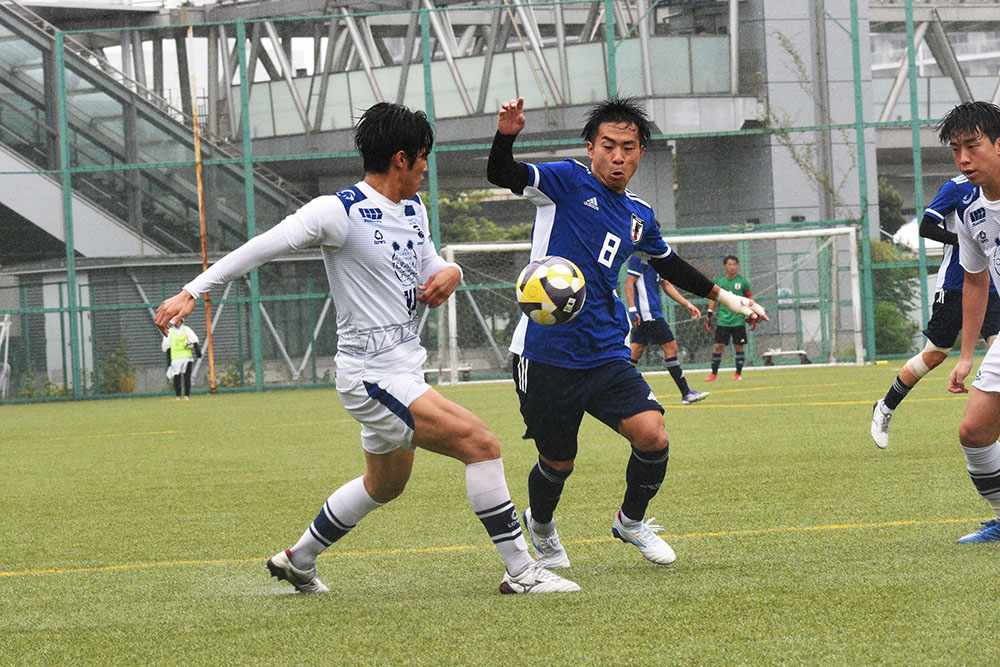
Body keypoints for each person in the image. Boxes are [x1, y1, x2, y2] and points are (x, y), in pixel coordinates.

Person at [155, 102, 578, 594]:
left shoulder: (413, 209)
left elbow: (429, 266)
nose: (426, 166)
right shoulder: (337, 211)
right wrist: (193, 291)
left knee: (385, 485)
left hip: (404, 370)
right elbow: (260, 247)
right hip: (370, 376)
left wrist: (451, 272)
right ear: (402, 157)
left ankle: (299, 560)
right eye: (423, 157)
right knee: (481, 444)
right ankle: (522, 572)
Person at [487, 96, 767, 568]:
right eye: (609, 146)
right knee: (559, 462)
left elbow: (669, 263)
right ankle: (542, 526)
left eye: (629, 148)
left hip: (605, 351)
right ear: (591, 147)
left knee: (653, 435)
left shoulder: (638, 214)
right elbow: (502, 174)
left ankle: (630, 521)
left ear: (640, 153)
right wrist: (506, 134)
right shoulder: (565, 181)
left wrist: (725, 297)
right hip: (544, 353)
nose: (618, 157)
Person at [870, 175, 1000, 449]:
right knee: (936, 354)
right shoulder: (957, 187)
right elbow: (927, 227)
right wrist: (967, 240)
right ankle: (885, 406)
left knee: (996, 345)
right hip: (954, 284)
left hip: (991, 285)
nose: (965, 157)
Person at [941, 101, 1000, 543]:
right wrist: (965, 355)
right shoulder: (968, 211)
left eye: (973, 146)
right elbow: (976, 284)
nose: (964, 159)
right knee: (974, 431)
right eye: (957, 149)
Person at [624, 256, 708, 405]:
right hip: (648, 314)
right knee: (671, 348)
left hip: (650, 314)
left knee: (634, 353)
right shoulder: (639, 256)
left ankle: (617, 392)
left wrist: (686, 304)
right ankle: (686, 393)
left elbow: (667, 284)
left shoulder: (656, 258)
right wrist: (632, 309)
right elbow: (629, 282)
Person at [704, 255, 753, 381]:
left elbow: (749, 298)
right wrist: (709, 314)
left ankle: (738, 374)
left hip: (738, 321)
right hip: (723, 321)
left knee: (739, 347)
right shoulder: (720, 282)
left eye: (734, 264)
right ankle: (714, 374)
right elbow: (713, 298)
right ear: (725, 266)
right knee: (718, 346)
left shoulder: (743, 282)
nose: (732, 267)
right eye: (729, 264)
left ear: (737, 266)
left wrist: (752, 314)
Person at [162, 319, 200, 400]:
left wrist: (197, 351)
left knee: (187, 377)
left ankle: (187, 395)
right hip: (176, 358)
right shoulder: (170, 332)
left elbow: (194, 339)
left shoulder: (186, 329)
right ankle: (178, 395)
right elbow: (166, 345)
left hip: (187, 357)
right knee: (177, 377)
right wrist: (168, 360)